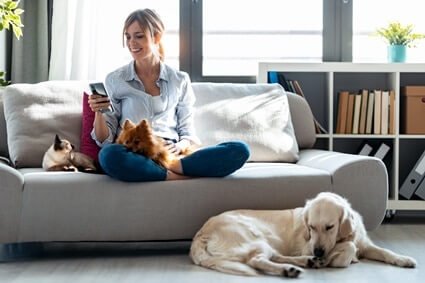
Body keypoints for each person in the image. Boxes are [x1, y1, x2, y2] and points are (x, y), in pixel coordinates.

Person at [88, 9, 250, 182]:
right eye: (128, 37)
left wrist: (178, 147)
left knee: (239, 150)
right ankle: (173, 175)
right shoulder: (115, 79)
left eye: (139, 36)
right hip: (134, 152)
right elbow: (104, 140)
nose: (131, 43)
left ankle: (171, 168)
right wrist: (99, 111)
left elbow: (188, 132)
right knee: (108, 155)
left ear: (156, 37)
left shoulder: (179, 80)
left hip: (171, 153)